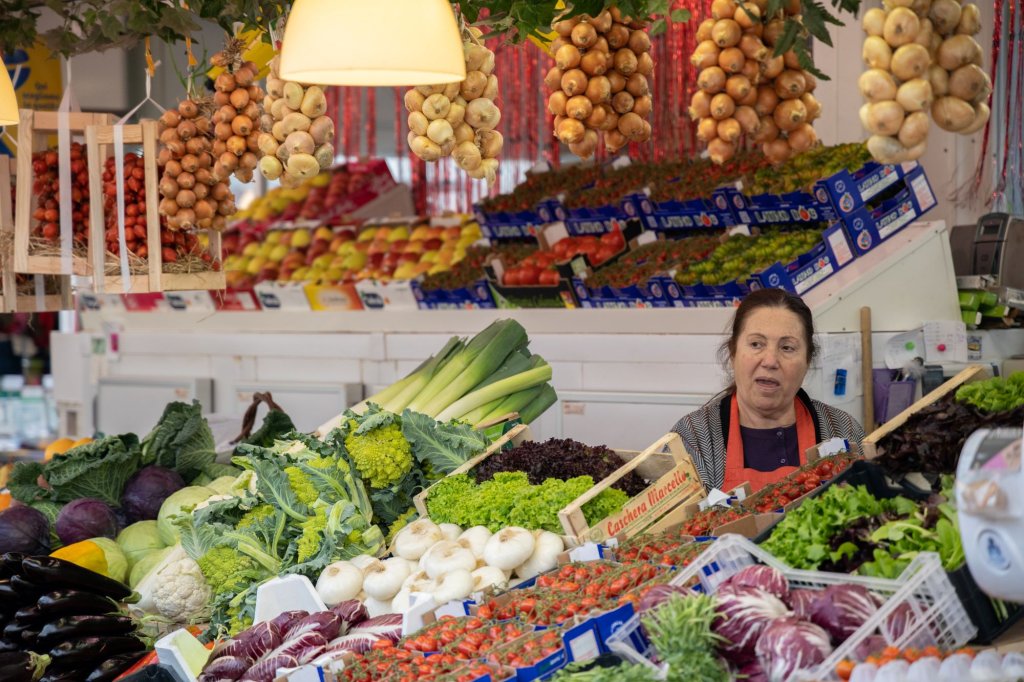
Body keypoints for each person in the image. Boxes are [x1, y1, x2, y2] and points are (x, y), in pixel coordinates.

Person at [671, 288, 864, 492]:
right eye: (756, 344)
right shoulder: (692, 440)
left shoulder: (842, 431)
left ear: (807, 361)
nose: (770, 361)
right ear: (733, 353)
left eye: (787, 347)